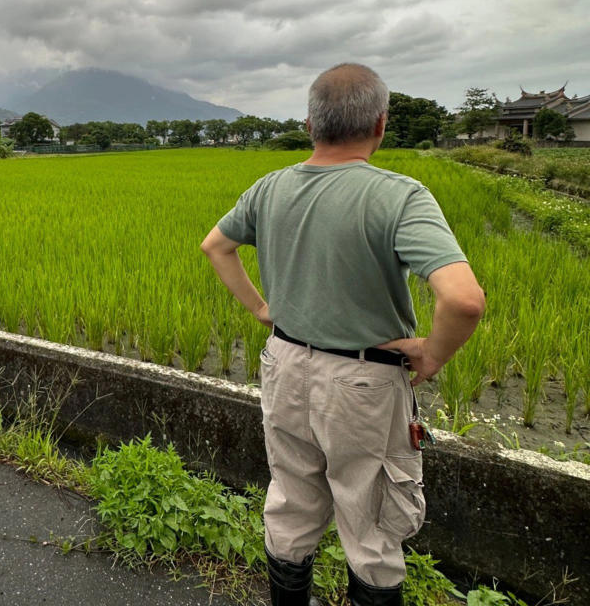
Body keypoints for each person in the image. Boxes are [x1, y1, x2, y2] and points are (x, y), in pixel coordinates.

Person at [200, 63, 485, 606]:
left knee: (291, 502)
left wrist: (263, 309)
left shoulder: (270, 186)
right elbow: (464, 300)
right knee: (373, 523)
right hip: (362, 382)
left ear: (310, 124)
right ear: (380, 125)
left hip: (283, 364)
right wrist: (431, 354)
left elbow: (215, 245)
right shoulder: (400, 195)